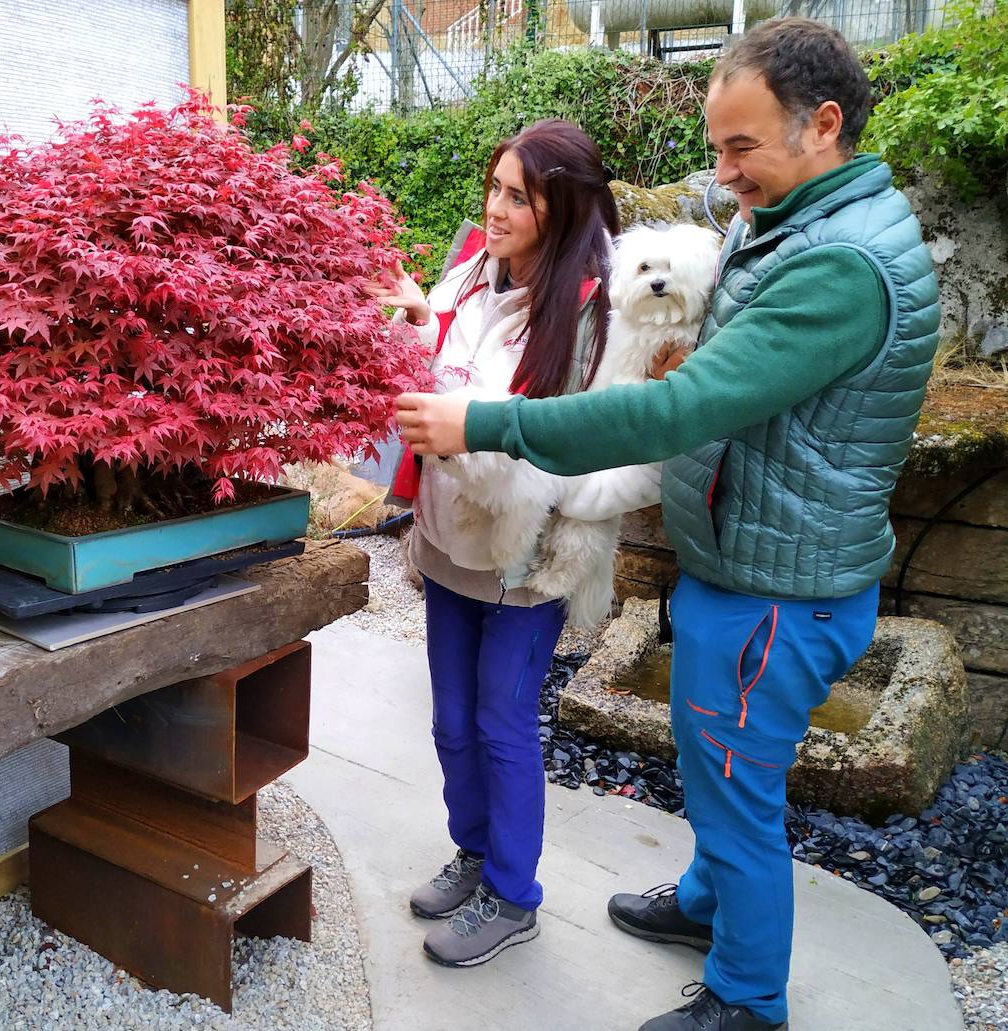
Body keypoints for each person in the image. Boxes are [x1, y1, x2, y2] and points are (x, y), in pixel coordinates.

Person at [394, 18, 939, 1031]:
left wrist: (489, 421)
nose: (723, 173)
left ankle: (746, 998)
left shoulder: (841, 262)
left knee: (737, 793)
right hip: (749, 557)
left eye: (741, 147)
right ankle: (702, 904)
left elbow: (675, 415)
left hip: (782, 584)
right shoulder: (791, 217)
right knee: (714, 766)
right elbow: (739, 373)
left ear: (825, 125)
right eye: (717, 146)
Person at [368, 119, 671, 969]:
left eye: (518, 196)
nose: (494, 210)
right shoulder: (470, 274)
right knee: (452, 723)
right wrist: (420, 318)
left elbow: (639, 460)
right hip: (449, 540)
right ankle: (474, 852)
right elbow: (447, 390)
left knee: (502, 722)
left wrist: (550, 493)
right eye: (494, 187)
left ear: (563, 207)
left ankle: (514, 892)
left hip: (530, 565)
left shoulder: (601, 318)